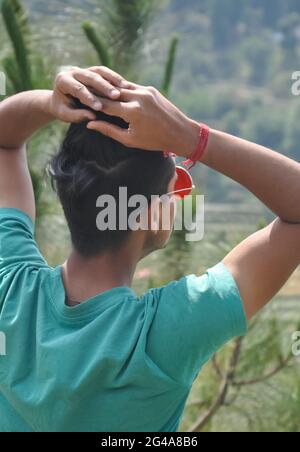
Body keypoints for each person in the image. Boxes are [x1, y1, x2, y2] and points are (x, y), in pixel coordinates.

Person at [0, 66, 299, 432]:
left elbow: (5, 140)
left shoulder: (10, 288)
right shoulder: (162, 336)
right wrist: (193, 137)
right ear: (153, 214)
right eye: (178, 184)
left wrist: (50, 103)